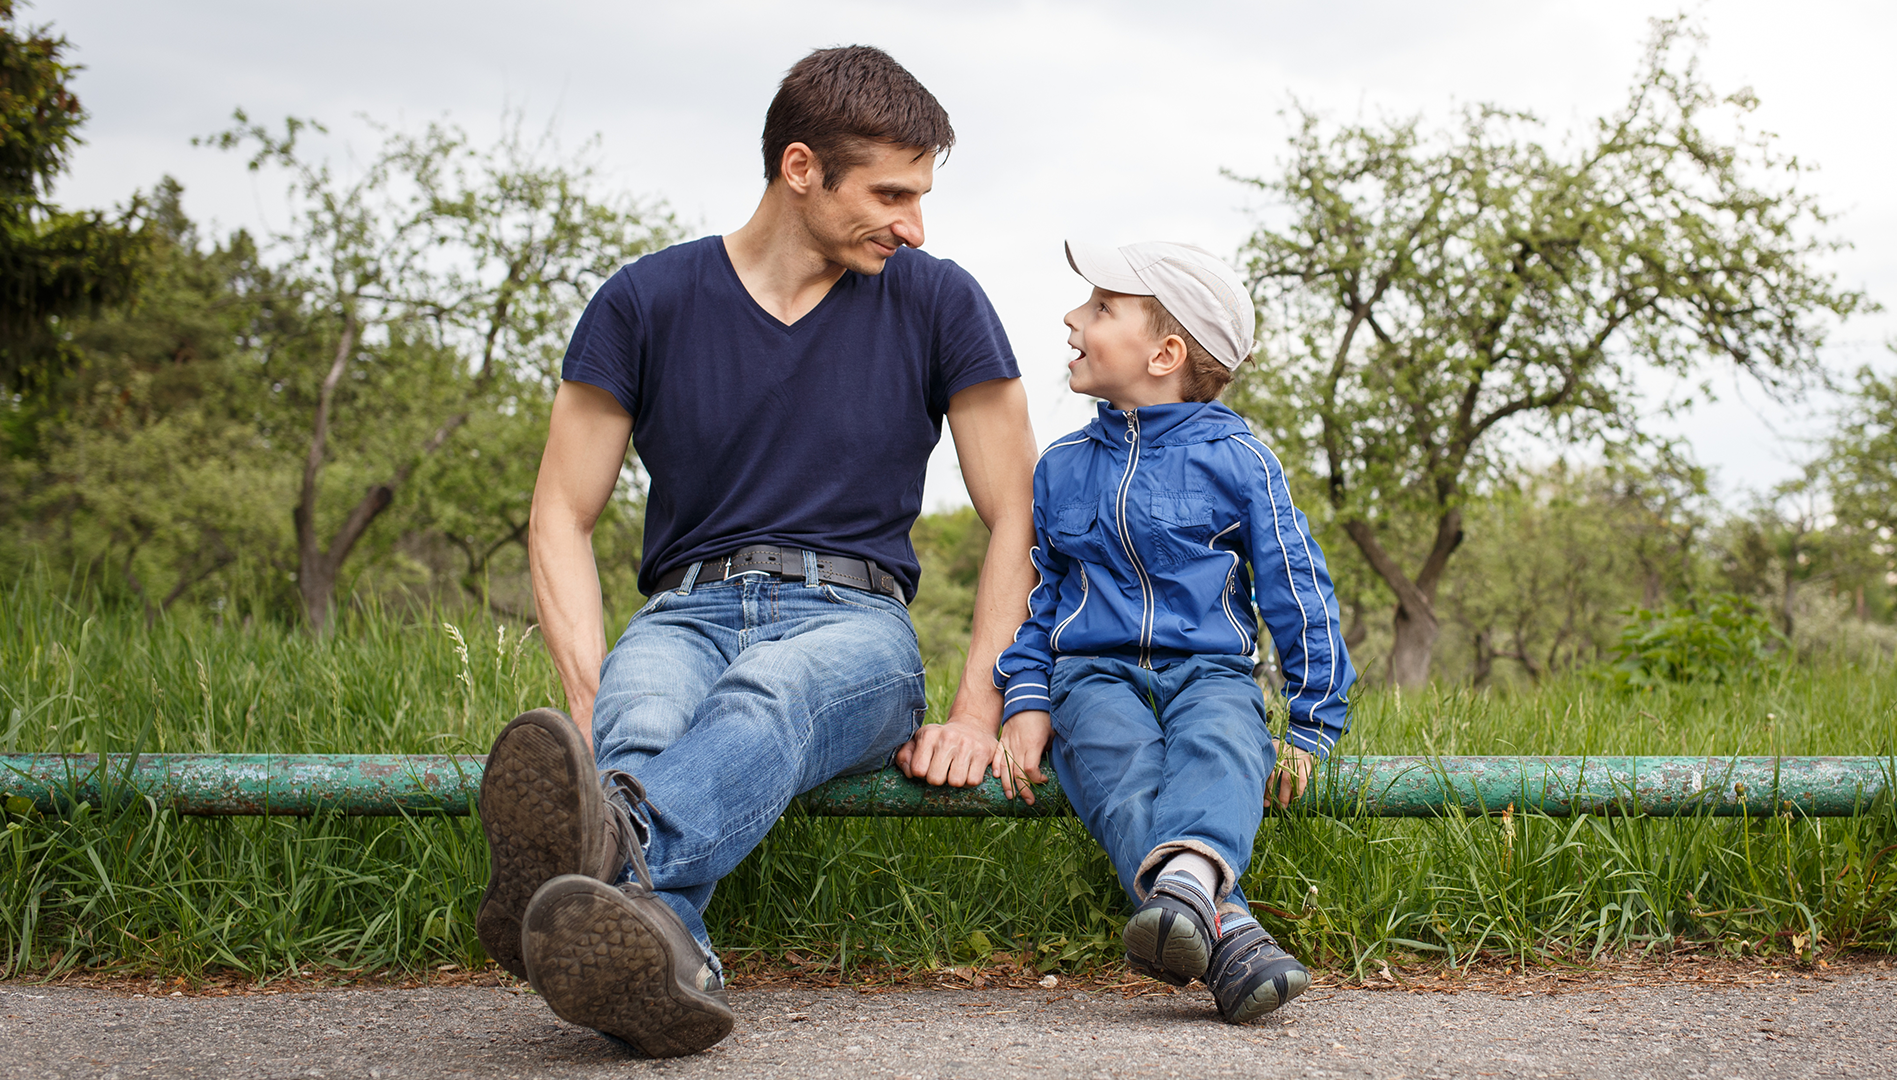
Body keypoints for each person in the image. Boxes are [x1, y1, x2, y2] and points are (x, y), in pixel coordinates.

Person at [472, 46, 1039, 1057]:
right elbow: (559, 511)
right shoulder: (644, 302)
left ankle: (602, 854)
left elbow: (1020, 515)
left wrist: (974, 710)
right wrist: (591, 689)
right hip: (684, 611)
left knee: (770, 688)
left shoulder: (938, 299)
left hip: (855, 630)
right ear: (801, 167)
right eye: (893, 192)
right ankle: (668, 963)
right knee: (640, 725)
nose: (915, 223)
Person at [991, 240, 1356, 1023]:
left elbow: (1298, 590)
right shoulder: (1061, 465)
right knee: (1113, 763)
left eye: (1100, 308)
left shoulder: (1240, 459)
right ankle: (1231, 932)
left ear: (1165, 352)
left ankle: (1196, 897)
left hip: (1212, 667)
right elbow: (1044, 596)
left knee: (1224, 742)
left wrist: (1312, 722)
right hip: (1092, 672)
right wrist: (1024, 695)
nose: (1072, 318)